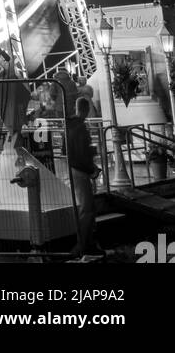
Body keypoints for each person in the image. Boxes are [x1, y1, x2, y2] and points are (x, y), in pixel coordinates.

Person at [66, 96, 104, 259]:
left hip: (74, 168)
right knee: (87, 209)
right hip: (80, 170)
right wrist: (91, 168)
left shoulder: (70, 126)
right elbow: (82, 153)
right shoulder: (80, 127)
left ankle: (86, 243)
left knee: (86, 208)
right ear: (86, 109)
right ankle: (83, 245)